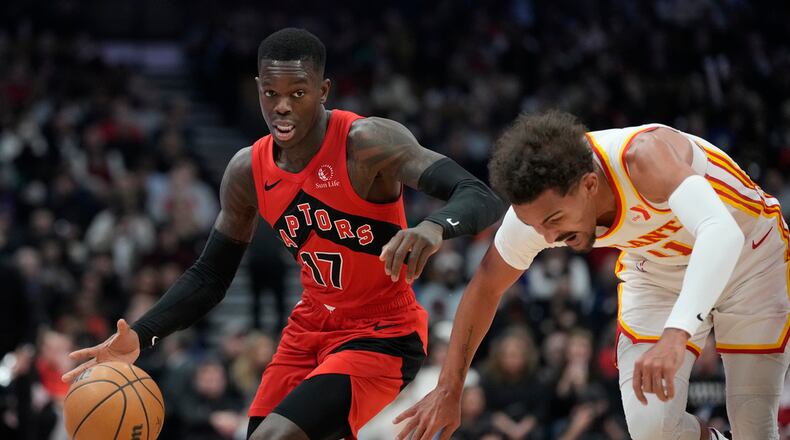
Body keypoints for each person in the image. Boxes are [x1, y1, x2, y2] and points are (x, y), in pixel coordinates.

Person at [60, 28, 505, 440]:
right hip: (309, 327)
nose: (282, 107)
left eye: (298, 93)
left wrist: (432, 227)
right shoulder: (245, 171)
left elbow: (477, 194)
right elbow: (210, 276)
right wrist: (140, 334)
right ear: (257, 89)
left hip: (382, 332)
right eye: (270, 93)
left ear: (323, 91)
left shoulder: (367, 143)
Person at [396, 110, 790, 440]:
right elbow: (485, 287)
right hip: (657, 269)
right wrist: (450, 388)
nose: (550, 237)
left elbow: (719, 233)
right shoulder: (534, 218)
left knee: (754, 422)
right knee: (652, 427)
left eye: (554, 220)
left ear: (588, 184)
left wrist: (678, 332)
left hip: (750, 257)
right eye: (539, 227)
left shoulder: (644, 156)